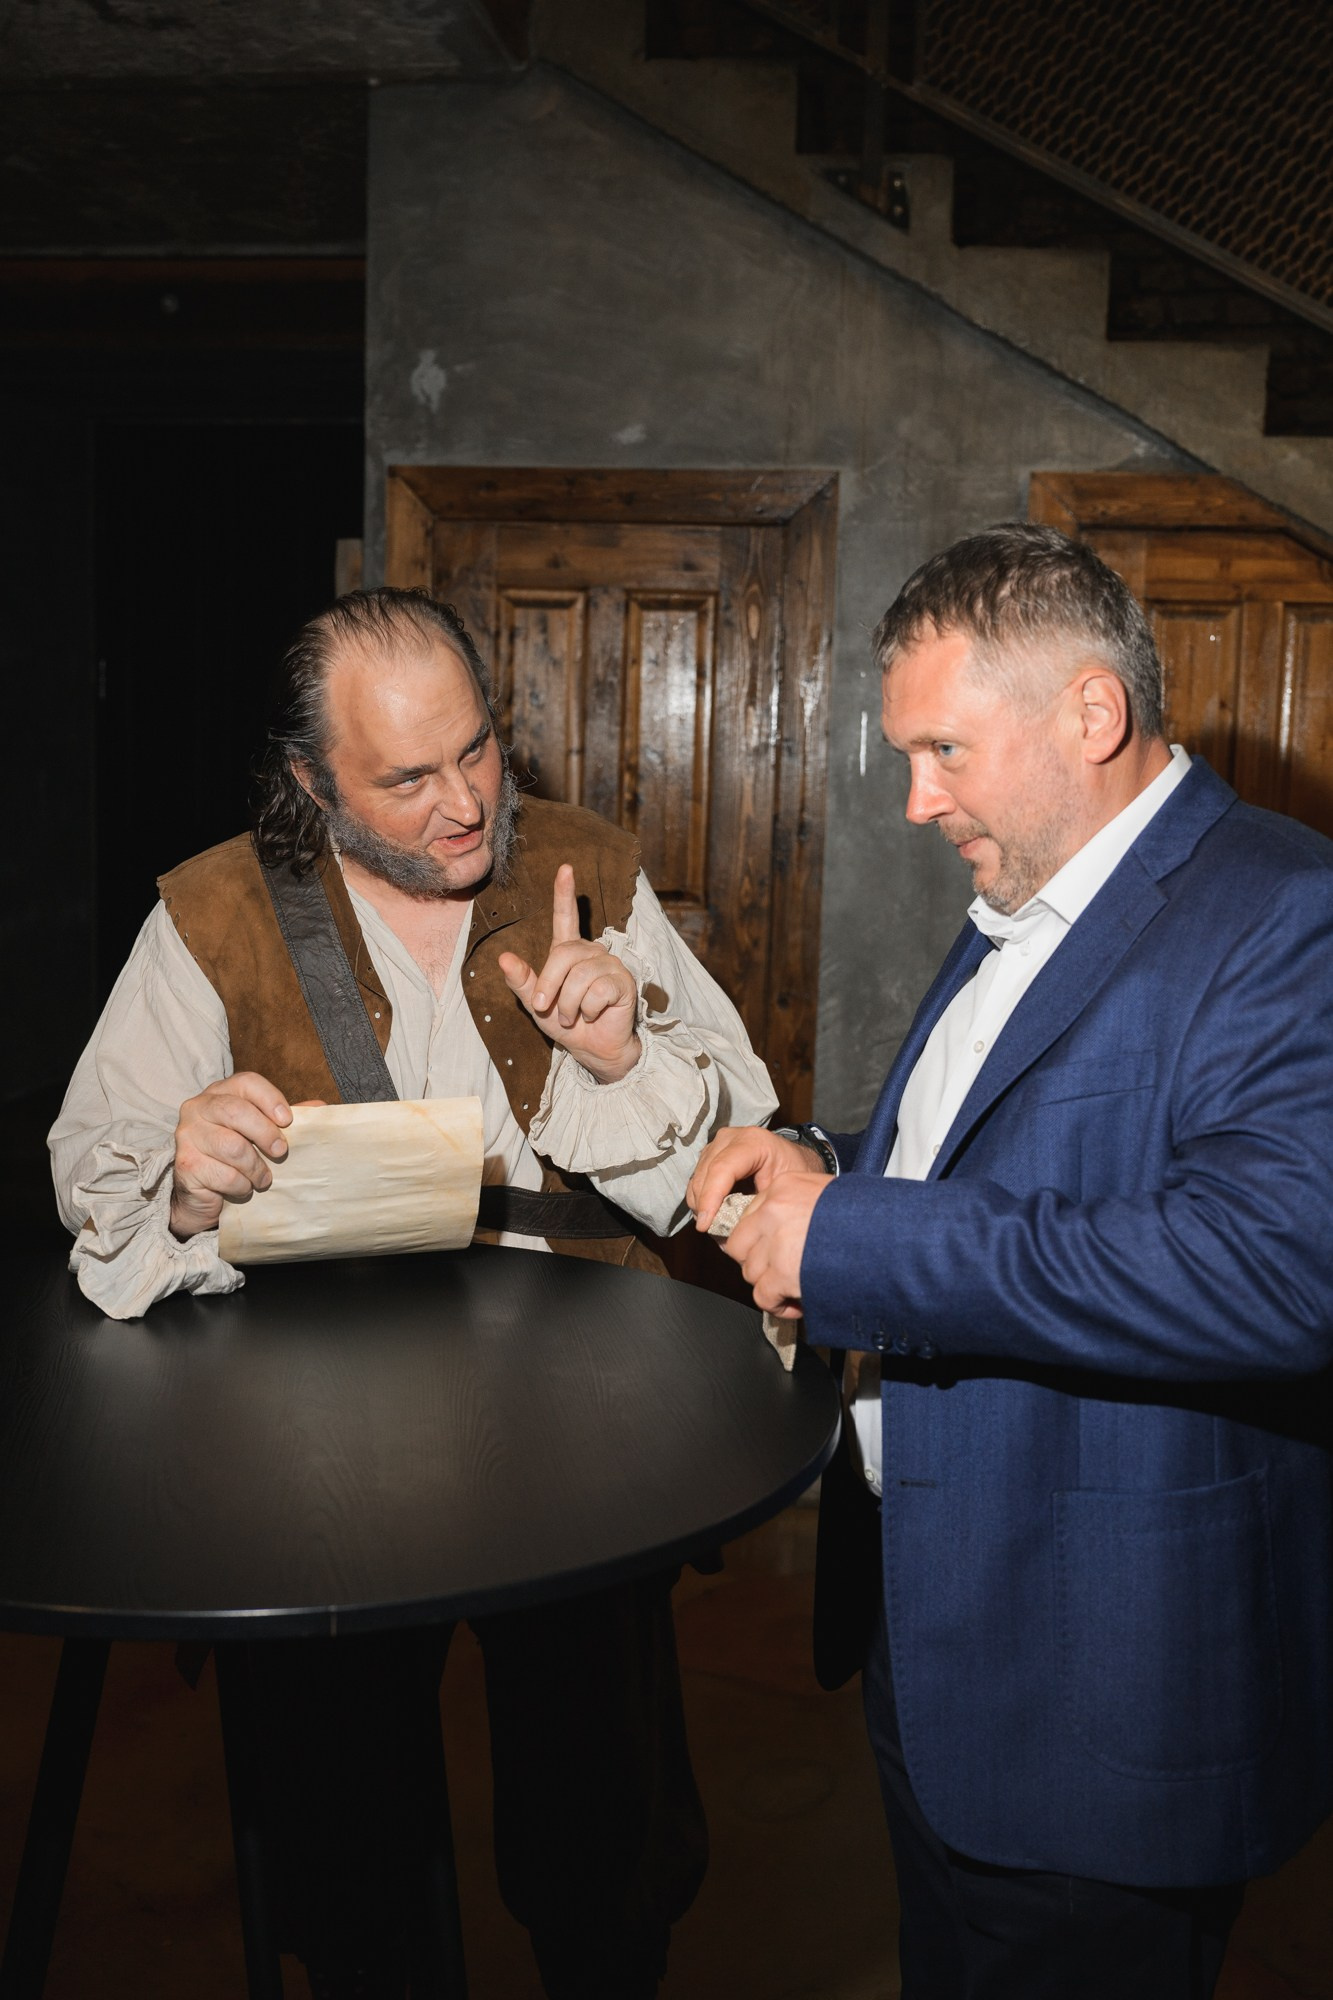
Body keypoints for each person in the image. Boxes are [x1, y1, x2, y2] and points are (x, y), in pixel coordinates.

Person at [51, 585, 777, 1999]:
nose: (464, 804)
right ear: (309, 781)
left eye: (478, 749)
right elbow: (98, 1163)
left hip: (587, 1405)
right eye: (405, 778)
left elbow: (737, 1148)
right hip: (314, 1431)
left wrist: (625, 1057)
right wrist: (186, 1184)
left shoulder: (587, 871)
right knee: (344, 1821)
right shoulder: (211, 911)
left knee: (605, 1812)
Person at [689, 523, 1333, 2000]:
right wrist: (826, 1163)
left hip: (1104, 1688)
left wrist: (851, 1241)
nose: (917, 801)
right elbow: (997, 1151)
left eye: (944, 752)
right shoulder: (1031, 888)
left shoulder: (1284, 907)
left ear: (1090, 713)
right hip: (946, 1625)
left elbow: (1275, 1268)